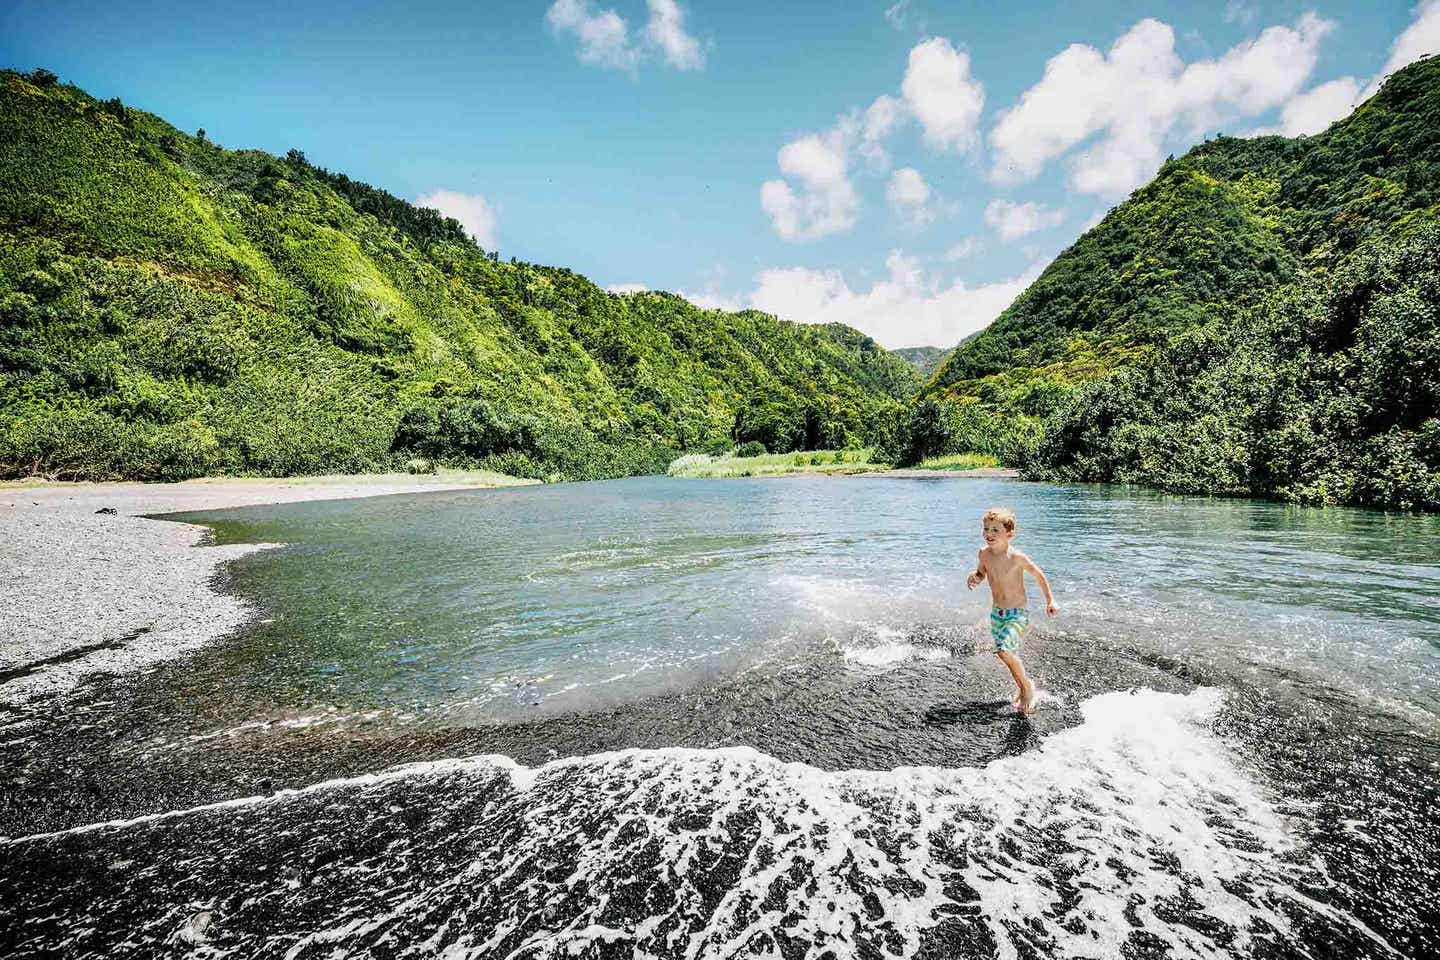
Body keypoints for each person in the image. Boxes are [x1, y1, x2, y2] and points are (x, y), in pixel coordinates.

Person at [966, 506, 1057, 714]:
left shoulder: (1016, 557)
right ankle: (1023, 686)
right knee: (1007, 656)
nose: (989, 534)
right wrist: (975, 578)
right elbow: (982, 573)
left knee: (1004, 651)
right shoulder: (983, 553)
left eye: (995, 530)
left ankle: (1027, 688)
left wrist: (1050, 600)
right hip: (997, 614)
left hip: (1017, 614)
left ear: (1009, 534)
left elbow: (1038, 574)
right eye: (986, 529)